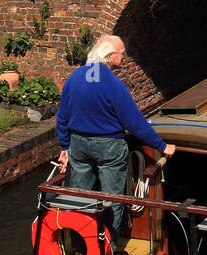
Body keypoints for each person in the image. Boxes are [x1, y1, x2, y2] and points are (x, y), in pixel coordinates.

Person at [57, 35, 175, 234]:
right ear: (110, 56)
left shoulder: (75, 77)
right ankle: (106, 251)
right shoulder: (113, 84)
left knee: (79, 196)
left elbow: (63, 116)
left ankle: (79, 247)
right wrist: (162, 146)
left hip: (78, 144)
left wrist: (64, 146)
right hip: (108, 146)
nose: (124, 57)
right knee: (112, 199)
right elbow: (135, 122)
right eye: (122, 54)